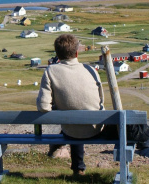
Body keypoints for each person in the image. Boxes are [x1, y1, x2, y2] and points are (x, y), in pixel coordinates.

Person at [36, 33, 105, 176]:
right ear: (77, 52)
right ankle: (77, 167)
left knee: (73, 125)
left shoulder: (51, 71)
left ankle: (77, 168)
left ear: (57, 54)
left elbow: (43, 107)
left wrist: (58, 104)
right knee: (78, 118)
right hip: (96, 128)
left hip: (72, 130)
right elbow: (100, 102)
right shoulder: (91, 70)